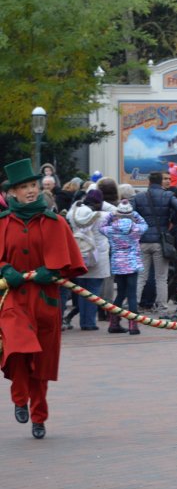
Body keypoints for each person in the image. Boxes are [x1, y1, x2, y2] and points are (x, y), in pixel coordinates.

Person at [0, 159, 87, 439]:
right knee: (16, 347)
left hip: (44, 299)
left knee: (41, 362)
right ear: (12, 192)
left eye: (33, 186)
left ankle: (39, 416)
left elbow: (69, 262)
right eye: (23, 187)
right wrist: (5, 269)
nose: (30, 191)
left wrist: (52, 271)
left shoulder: (55, 222)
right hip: (13, 298)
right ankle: (19, 397)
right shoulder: (3, 223)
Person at [132, 171, 177, 314]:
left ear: (149, 181)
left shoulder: (139, 196)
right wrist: (172, 222)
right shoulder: (167, 196)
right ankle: (162, 307)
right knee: (161, 277)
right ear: (161, 181)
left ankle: (134, 304)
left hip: (142, 240)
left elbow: (130, 214)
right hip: (160, 240)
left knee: (141, 276)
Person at [67, 189, 115, 331]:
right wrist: (102, 203)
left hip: (80, 256)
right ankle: (89, 323)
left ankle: (84, 322)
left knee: (82, 292)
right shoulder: (103, 216)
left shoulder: (73, 213)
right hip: (97, 258)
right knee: (94, 292)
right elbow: (117, 210)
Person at [99, 199, 147, 335]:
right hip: (132, 263)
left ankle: (114, 322)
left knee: (120, 293)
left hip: (118, 264)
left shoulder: (111, 229)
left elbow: (100, 226)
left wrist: (112, 214)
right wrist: (134, 214)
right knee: (131, 294)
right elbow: (145, 224)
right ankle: (133, 325)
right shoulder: (136, 229)